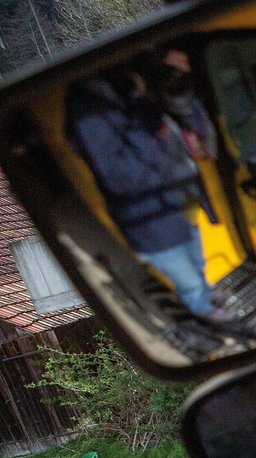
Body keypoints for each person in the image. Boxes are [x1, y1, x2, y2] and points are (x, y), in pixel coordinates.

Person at [66, 56, 230, 323]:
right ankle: (204, 311)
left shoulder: (119, 97)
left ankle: (206, 294)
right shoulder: (88, 112)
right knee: (182, 272)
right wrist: (162, 170)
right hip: (148, 217)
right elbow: (117, 173)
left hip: (170, 203)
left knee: (195, 257)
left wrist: (141, 100)